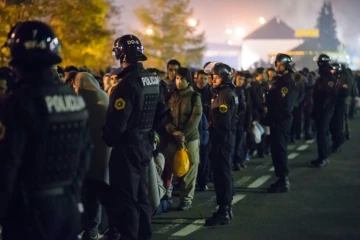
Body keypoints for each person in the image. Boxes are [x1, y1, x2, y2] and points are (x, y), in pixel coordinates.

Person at [0, 20, 91, 240]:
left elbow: (6, 166)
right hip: (67, 210)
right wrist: (73, 197)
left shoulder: (17, 102)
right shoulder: (73, 99)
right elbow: (85, 155)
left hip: (28, 214)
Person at [102, 34, 168, 240]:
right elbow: (162, 113)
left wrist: (108, 139)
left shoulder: (125, 84)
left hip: (127, 148)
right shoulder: (152, 79)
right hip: (145, 145)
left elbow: (117, 123)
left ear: (120, 54)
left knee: (127, 200)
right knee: (142, 198)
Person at [73, 72, 112, 240]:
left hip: (89, 156)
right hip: (105, 154)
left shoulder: (82, 101)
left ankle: (92, 228)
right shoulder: (103, 96)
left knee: (91, 195)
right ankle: (109, 227)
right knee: (103, 192)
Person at [204, 62, 238, 226]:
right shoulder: (225, 93)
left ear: (224, 77)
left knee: (222, 174)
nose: (212, 79)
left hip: (221, 139)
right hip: (224, 138)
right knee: (223, 172)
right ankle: (225, 207)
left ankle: (224, 210)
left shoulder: (224, 95)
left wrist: (212, 129)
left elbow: (222, 122)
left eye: (215, 76)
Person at [265, 53, 296, 193]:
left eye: (280, 64)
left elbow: (283, 104)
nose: (277, 66)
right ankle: (280, 178)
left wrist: (274, 116)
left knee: (280, 149)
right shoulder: (281, 80)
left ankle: (283, 179)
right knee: (276, 150)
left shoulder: (286, 81)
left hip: (281, 119)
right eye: (276, 64)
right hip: (277, 119)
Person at [311, 54, 337, 167]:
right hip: (321, 109)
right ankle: (322, 156)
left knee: (322, 133)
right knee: (322, 134)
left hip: (324, 110)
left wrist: (324, 108)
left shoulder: (328, 77)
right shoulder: (323, 76)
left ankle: (324, 157)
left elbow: (331, 95)